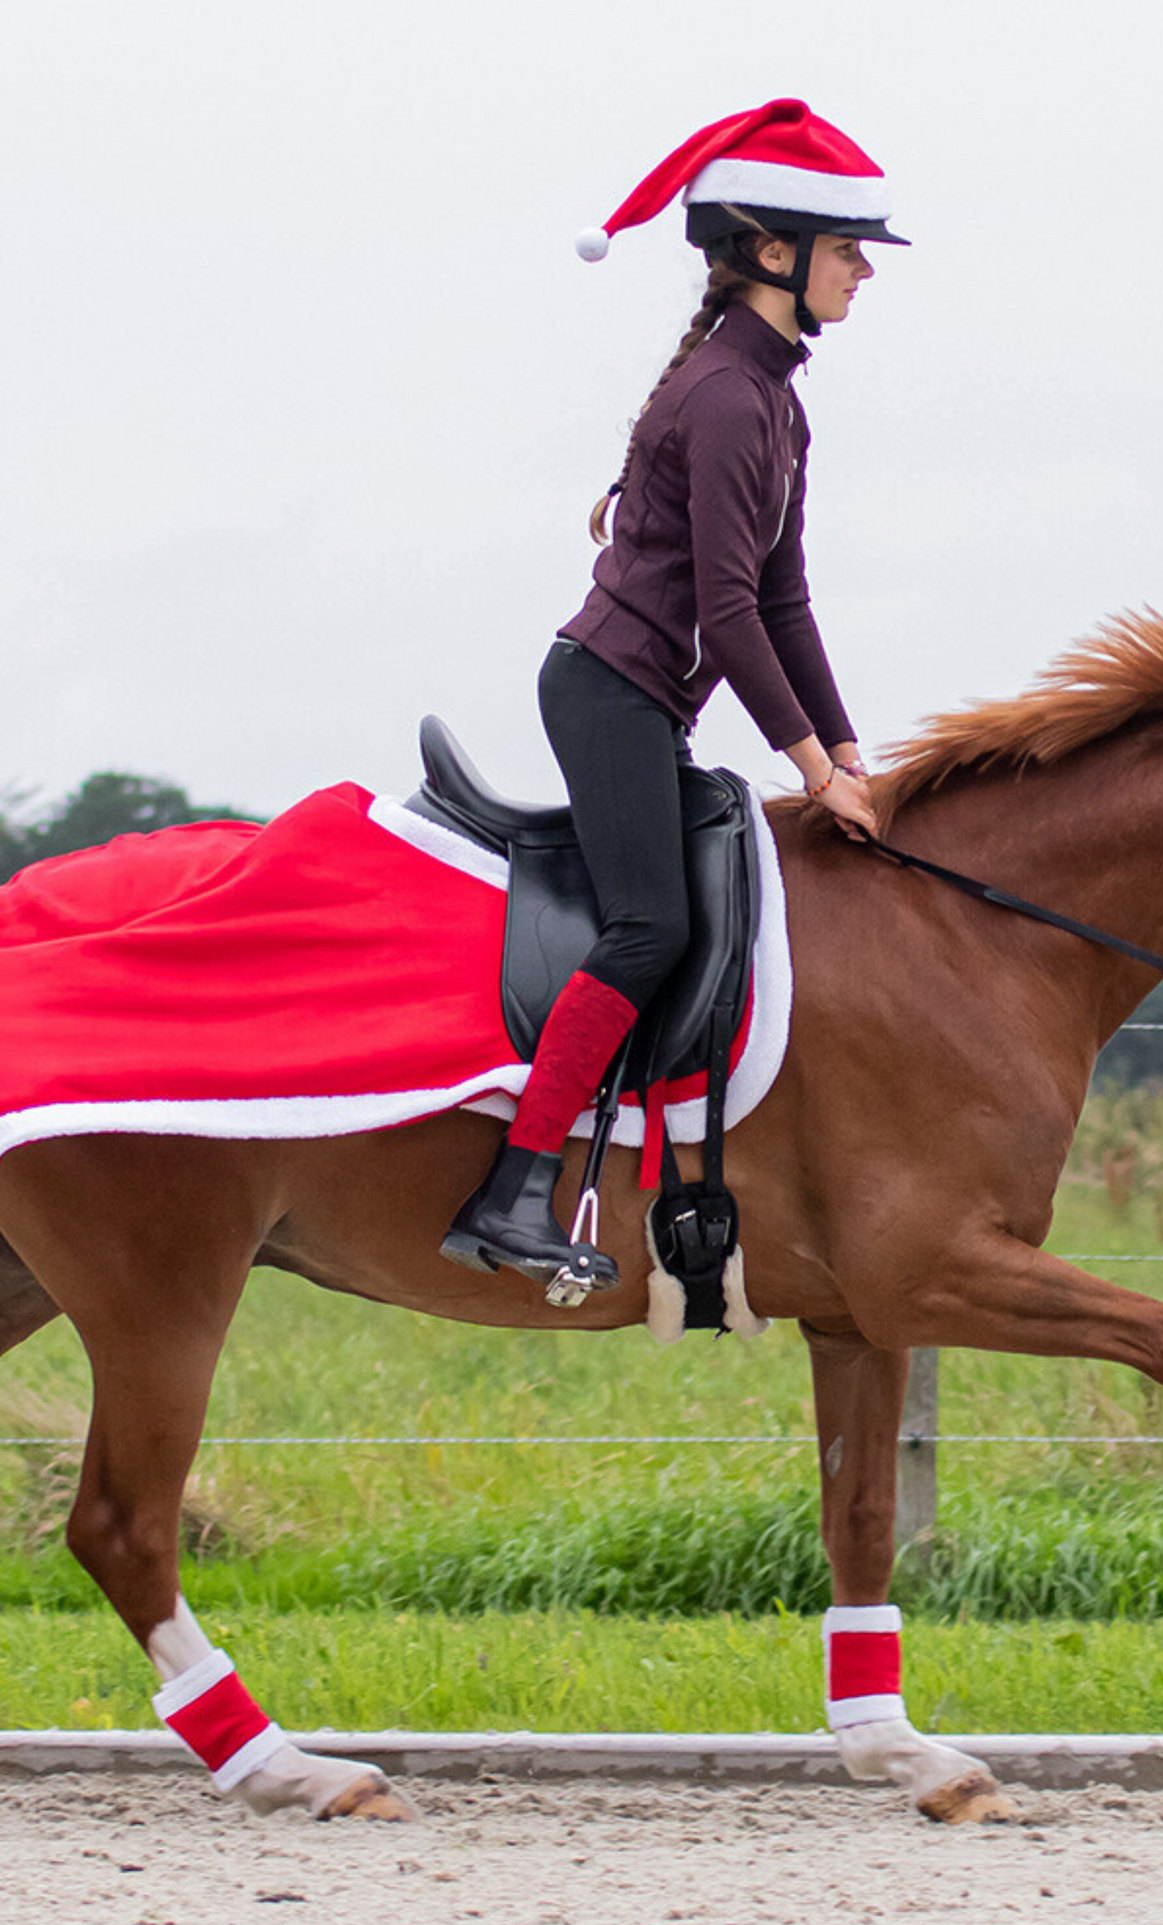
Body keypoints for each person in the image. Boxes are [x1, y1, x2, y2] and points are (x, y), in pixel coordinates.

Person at [441, 98, 902, 1295]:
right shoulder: (723, 396)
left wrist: (849, 752)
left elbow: (785, 595)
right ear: (770, 251)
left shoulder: (774, 399)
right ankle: (512, 1188)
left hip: (645, 696)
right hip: (607, 689)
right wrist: (810, 770)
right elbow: (727, 611)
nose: (861, 274)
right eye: (847, 251)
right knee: (652, 924)